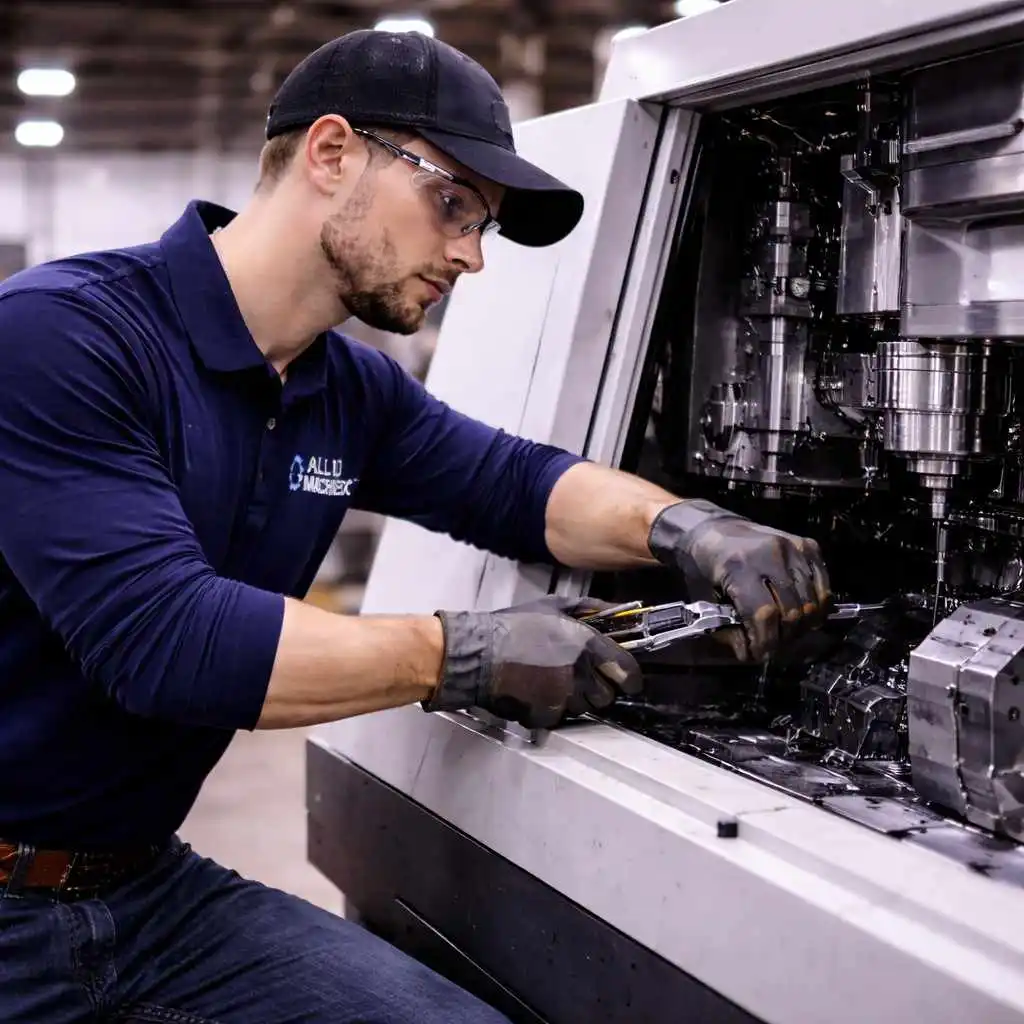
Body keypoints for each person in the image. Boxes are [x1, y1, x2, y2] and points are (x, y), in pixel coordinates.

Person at [0, 29, 831, 1024]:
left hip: (146, 893)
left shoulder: (343, 388)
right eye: (451, 204)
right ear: (332, 152)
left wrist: (689, 529)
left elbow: (516, 484)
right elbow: (167, 643)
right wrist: (463, 655)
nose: (471, 255)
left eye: (481, 225)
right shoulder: (62, 334)